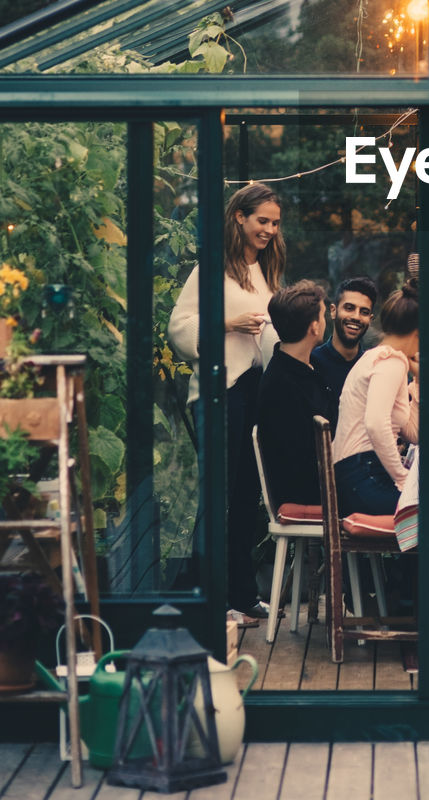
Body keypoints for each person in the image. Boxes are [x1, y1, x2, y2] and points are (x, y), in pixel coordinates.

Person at [168, 181, 285, 624]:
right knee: (219, 496)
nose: (269, 230)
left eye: (274, 223)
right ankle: (208, 599)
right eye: (262, 221)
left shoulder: (264, 273)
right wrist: (227, 322)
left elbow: (271, 335)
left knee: (246, 496)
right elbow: (179, 329)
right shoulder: (211, 269)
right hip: (220, 391)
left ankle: (241, 594)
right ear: (240, 217)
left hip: (255, 391)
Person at [332, 278, 420, 517]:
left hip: (362, 473)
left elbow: (413, 434)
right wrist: (401, 477)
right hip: (362, 476)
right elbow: (375, 423)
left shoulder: (388, 359)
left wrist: (419, 381)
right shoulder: (388, 362)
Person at [256, 280, 336, 510]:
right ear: (314, 327)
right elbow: (300, 460)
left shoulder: (306, 368)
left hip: (321, 483)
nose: (325, 320)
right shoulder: (282, 385)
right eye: (322, 315)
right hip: (307, 493)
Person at [311, 276, 377, 402]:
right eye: (349, 308)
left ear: (370, 319)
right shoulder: (312, 362)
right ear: (333, 311)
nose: (356, 317)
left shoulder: (372, 369)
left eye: (364, 312)